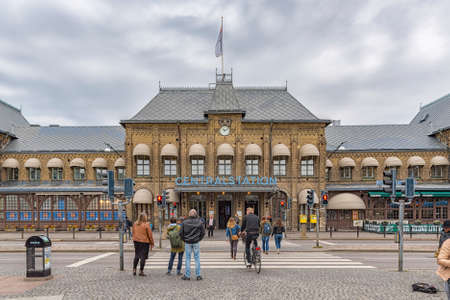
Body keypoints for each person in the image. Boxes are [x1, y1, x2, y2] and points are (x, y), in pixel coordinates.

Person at [180, 209, 205, 281]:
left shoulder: (185, 222)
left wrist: (184, 239)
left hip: (188, 242)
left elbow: (181, 233)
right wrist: (199, 239)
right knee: (197, 258)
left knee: (188, 258)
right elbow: (203, 232)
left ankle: (187, 275)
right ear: (196, 214)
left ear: (189, 214)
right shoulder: (199, 222)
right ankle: (198, 275)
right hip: (196, 241)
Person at [132, 212, 154, 276]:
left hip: (136, 241)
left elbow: (133, 232)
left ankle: (134, 269)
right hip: (144, 242)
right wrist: (152, 243)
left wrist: (134, 239)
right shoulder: (146, 224)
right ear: (145, 217)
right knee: (143, 257)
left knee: (136, 255)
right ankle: (141, 271)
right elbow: (150, 235)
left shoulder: (135, 224)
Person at [437, 222, 450, 299]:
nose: (444, 229)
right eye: (444, 227)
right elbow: (441, 243)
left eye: (446, 227)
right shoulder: (443, 234)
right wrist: (439, 251)